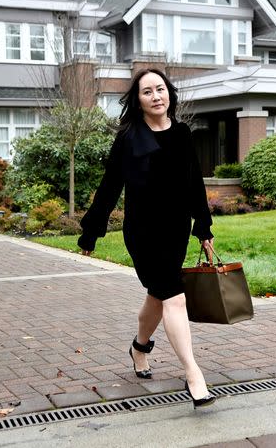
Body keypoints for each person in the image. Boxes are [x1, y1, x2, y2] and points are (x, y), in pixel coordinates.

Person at [78, 68, 216, 408]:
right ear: (138, 101)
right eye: (147, 92)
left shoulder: (182, 133)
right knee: (174, 297)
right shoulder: (129, 137)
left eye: (160, 89)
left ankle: (139, 347)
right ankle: (193, 374)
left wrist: (203, 226)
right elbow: (110, 186)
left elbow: (194, 183)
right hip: (143, 232)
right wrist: (92, 231)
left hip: (176, 229)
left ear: (169, 93)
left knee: (159, 296)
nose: (156, 96)